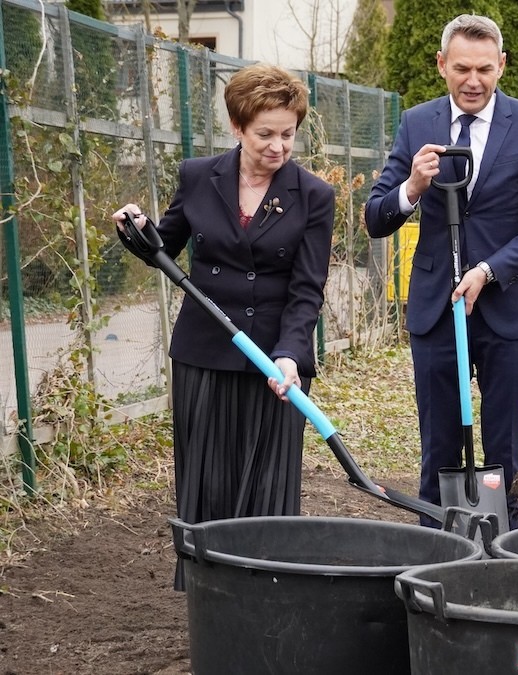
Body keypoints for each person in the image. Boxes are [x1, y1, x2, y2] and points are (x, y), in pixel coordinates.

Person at [112, 63, 335, 591]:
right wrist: (137, 229)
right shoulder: (197, 176)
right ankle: (209, 585)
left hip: (274, 359)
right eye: (265, 134)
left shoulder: (314, 195)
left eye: (288, 133)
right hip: (205, 349)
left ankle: (266, 581)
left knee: (268, 477)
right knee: (207, 473)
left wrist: (290, 355)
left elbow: (307, 290)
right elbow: (161, 246)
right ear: (237, 127)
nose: (278, 146)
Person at [363, 14, 518, 530]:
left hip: (508, 308)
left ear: (501, 65)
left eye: (483, 69)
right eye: (461, 69)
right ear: (441, 66)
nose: (472, 81)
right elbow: (375, 217)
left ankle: (503, 554)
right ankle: (439, 553)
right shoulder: (417, 124)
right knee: (438, 448)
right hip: (437, 309)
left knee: (504, 448)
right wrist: (411, 188)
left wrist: (489, 270)